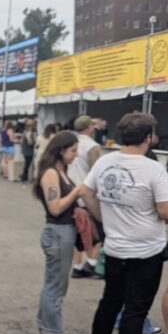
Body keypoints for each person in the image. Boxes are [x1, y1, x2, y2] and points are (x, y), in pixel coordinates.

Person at [81, 112, 168, 334]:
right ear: (148, 137)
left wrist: (103, 220)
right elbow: (166, 212)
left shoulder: (105, 161)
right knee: (135, 309)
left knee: (110, 302)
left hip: (115, 247)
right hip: (145, 252)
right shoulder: (153, 169)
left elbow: (86, 192)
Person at [33, 131, 86, 334]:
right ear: (61, 150)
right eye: (73, 150)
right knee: (55, 287)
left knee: (54, 285)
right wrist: (77, 191)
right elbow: (55, 208)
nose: (76, 155)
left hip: (62, 232)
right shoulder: (51, 173)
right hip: (58, 232)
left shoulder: (59, 171)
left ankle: (49, 333)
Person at [68, 115, 103, 278]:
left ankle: (78, 265)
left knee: (78, 232)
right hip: (86, 193)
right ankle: (92, 263)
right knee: (98, 232)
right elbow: (95, 171)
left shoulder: (70, 143)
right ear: (90, 128)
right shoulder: (92, 146)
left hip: (70, 191)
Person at [20, 118, 36, 184]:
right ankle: (24, 178)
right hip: (28, 150)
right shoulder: (29, 133)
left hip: (25, 150)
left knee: (26, 164)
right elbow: (30, 142)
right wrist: (34, 142)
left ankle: (23, 176)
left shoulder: (25, 131)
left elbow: (22, 140)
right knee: (27, 165)